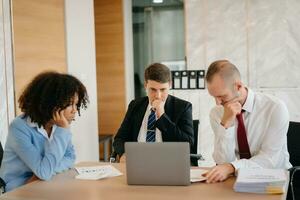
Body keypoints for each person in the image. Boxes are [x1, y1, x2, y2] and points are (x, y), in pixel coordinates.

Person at [204, 60, 292, 183]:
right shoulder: (217, 113)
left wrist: (231, 167)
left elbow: (270, 160)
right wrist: (226, 124)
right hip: (240, 179)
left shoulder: (274, 108)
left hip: (275, 179)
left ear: (238, 86)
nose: (218, 103)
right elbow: (222, 162)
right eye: (214, 97)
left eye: (222, 96)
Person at [0, 71, 88, 192]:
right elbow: (44, 172)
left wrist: (44, 172)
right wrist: (43, 172)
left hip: (44, 182)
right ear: (50, 102)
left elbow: (70, 157)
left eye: (76, 104)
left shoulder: (59, 125)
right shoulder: (19, 127)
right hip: (18, 188)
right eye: (69, 104)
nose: (74, 110)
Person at [113, 63, 194, 160]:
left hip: (168, 161)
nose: (158, 95)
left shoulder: (183, 107)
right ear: (145, 85)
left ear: (170, 85)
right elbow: (119, 138)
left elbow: (188, 144)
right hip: (138, 159)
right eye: (153, 90)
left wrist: (162, 116)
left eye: (163, 89)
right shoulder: (135, 105)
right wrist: (123, 154)